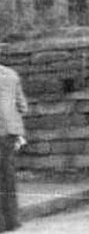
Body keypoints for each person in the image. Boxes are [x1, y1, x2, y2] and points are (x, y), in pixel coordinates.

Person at [0, 61, 27, 232]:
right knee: (8, 176)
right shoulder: (11, 74)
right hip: (10, 132)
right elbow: (22, 106)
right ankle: (12, 221)